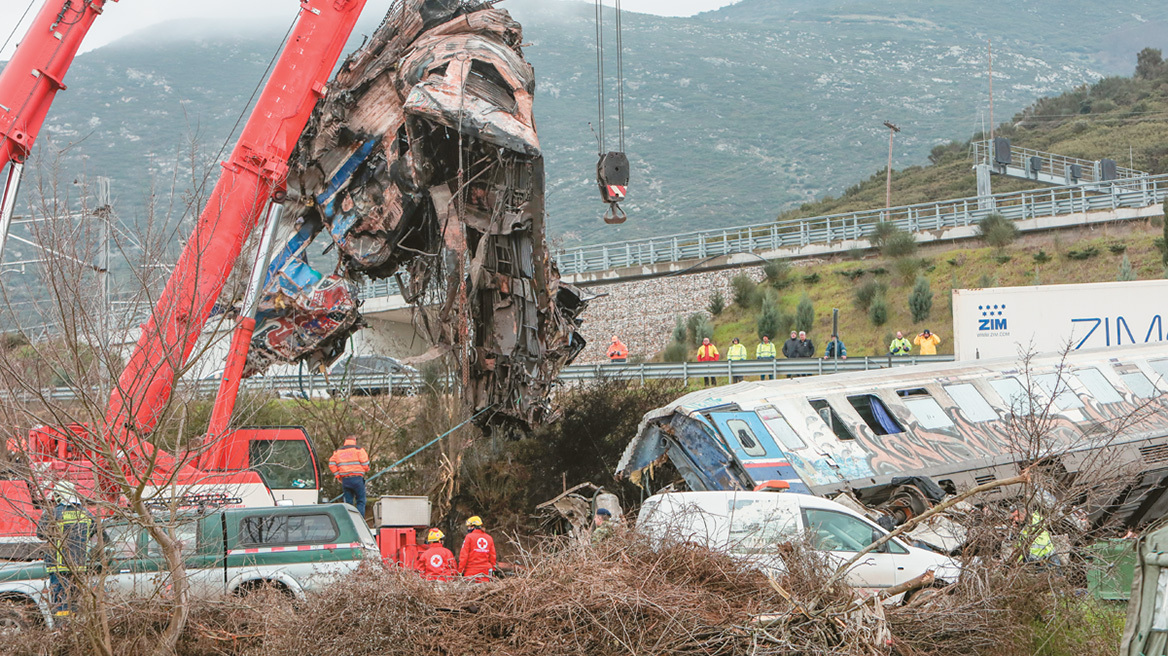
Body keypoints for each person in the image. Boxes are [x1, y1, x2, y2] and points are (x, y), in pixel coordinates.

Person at [36, 482, 95, 618]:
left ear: (59, 496)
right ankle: (73, 629)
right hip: (78, 565)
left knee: (60, 602)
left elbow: (40, 534)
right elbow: (94, 531)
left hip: (58, 564)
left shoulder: (53, 513)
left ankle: (62, 628)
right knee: (73, 600)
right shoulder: (86, 513)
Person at [328, 436, 371, 517]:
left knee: (348, 503)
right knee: (361, 501)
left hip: (345, 480)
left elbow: (331, 464)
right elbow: (365, 464)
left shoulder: (338, 452)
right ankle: (360, 520)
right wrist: (366, 469)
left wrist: (338, 475)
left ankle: (349, 520)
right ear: (354, 440)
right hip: (357, 479)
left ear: (345, 441)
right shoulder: (359, 450)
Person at [458, 516, 497, 582]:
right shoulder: (489, 538)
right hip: (485, 572)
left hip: (471, 572)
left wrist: (460, 571)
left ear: (473, 527)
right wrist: (493, 569)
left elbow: (464, 556)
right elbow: (492, 557)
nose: (468, 528)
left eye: (469, 526)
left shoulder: (469, 537)